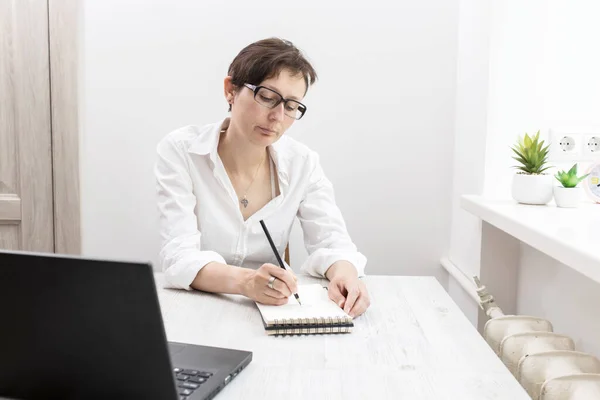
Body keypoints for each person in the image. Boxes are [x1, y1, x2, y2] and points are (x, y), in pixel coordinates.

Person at [155, 38, 370, 318]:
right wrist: (246, 282)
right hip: (195, 311)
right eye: (268, 97)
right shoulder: (182, 151)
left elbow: (332, 242)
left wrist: (347, 275)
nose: (278, 116)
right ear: (230, 90)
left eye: (292, 106)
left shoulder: (302, 163)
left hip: (273, 312)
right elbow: (178, 257)